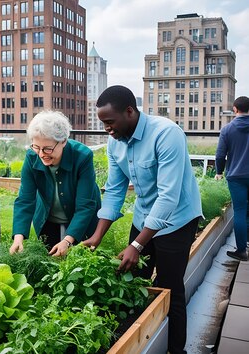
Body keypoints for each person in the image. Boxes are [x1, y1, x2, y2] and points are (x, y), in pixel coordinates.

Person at [82, 85, 202, 354]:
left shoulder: (166, 134)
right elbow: (114, 190)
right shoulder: (115, 143)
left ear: (129, 111)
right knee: (134, 282)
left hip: (177, 219)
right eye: (103, 123)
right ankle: (140, 342)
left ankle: (175, 349)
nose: (107, 130)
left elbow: (169, 196)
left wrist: (136, 246)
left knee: (170, 287)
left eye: (110, 122)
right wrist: (97, 236)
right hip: (145, 215)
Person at [10, 111, 101, 256]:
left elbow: (85, 205)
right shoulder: (32, 157)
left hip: (79, 221)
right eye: (36, 147)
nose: (41, 154)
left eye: (47, 148)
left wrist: (67, 241)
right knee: (50, 261)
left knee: (78, 264)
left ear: (63, 141)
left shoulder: (83, 157)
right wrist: (18, 237)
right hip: (47, 220)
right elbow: (25, 200)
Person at [215, 96, 249, 261]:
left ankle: (242, 250)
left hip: (236, 177)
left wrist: (219, 172)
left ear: (235, 109)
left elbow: (220, 155)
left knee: (240, 211)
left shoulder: (227, 129)